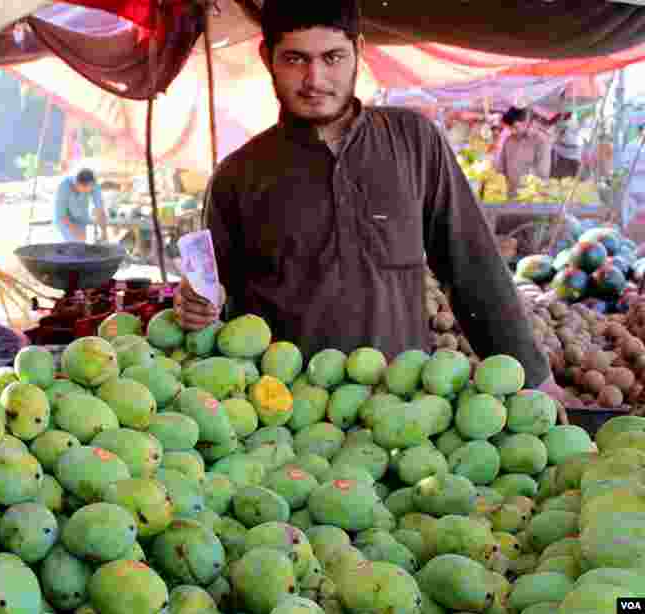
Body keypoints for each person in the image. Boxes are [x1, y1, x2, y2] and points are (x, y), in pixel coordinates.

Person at [174, 0, 569, 415]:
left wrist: (533, 375)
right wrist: (198, 303)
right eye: (295, 59)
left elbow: (473, 266)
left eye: (332, 57)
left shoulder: (413, 142)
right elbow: (216, 299)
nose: (315, 79)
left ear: (358, 51)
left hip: (404, 411)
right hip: (286, 419)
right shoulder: (239, 176)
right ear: (266, 57)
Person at [495, 106, 552, 197]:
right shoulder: (509, 141)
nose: (512, 131)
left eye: (515, 127)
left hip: (530, 197)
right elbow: (501, 167)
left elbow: (543, 173)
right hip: (509, 194)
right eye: (510, 128)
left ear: (526, 123)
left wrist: (527, 186)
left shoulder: (541, 142)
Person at [54, 168, 108, 242]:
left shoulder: (93, 185)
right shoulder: (64, 187)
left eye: (90, 190)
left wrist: (104, 232)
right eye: (85, 190)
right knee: (75, 241)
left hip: (81, 218)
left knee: (82, 243)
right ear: (78, 184)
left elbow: (100, 209)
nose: (87, 192)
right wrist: (76, 232)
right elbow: (62, 216)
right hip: (64, 219)